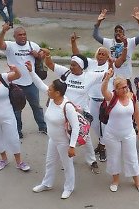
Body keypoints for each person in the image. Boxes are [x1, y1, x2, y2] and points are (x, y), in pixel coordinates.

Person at [43, 51, 106, 174]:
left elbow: (107, 74)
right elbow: (50, 64)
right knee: (66, 135)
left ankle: (92, 161)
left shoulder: (90, 76)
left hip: (81, 113)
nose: (71, 67)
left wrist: (111, 67)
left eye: (74, 65)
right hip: (65, 111)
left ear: (81, 66)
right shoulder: (66, 73)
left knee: (85, 138)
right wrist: (48, 55)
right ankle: (68, 160)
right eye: (71, 64)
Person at [69, 32, 127, 162]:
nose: (101, 56)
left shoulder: (109, 65)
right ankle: (101, 143)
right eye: (99, 53)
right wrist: (73, 43)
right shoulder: (91, 63)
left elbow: (112, 72)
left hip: (105, 101)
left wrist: (111, 63)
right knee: (94, 124)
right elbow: (77, 57)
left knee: (105, 126)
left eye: (104, 54)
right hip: (92, 100)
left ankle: (103, 147)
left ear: (107, 56)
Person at [26, 61, 79, 199]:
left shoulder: (67, 106)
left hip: (64, 142)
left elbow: (76, 126)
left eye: (50, 89)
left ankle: (69, 188)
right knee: (49, 163)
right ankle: (47, 184)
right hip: (53, 140)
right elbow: (40, 84)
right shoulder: (52, 98)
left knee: (67, 165)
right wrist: (31, 71)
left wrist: (72, 146)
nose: (47, 90)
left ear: (57, 93)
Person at [0, 23, 47, 139]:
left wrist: (38, 55)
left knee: (36, 106)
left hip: (31, 83)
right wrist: (3, 31)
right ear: (14, 37)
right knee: (16, 110)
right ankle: (18, 131)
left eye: (24, 34)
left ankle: (43, 126)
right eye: (20, 35)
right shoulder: (10, 46)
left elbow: (43, 54)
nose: (23, 37)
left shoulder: (32, 45)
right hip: (16, 85)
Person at [101, 69, 139, 193]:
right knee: (114, 157)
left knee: (131, 157)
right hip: (112, 134)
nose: (125, 90)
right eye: (122, 88)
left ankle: (137, 181)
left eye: (126, 86)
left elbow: (137, 114)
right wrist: (106, 79)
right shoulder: (111, 97)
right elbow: (103, 91)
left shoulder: (132, 96)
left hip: (128, 133)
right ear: (116, 89)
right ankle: (115, 180)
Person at [93, 7, 139, 92]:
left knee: (128, 101)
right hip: (112, 78)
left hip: (126, 78)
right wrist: (98, 22)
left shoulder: (130, 42)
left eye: (120, 31)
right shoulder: (109, 42)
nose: (118, 32)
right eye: (116, 31)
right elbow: (96, 36)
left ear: (124, 33)